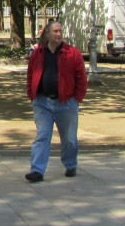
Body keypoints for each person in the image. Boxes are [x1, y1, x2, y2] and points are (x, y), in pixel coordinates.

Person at [24, 20, 88, 183]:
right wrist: (32, 94)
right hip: (42, 102)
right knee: (42, 136)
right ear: (47, 33)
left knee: (69, 139)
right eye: (55, 31)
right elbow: (31, 73)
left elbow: (81, 77)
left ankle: (70, 164)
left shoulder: (72, 53)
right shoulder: (38, 54)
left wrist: (77, 98)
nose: (58, 34)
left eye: (60, 31)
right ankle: (37, 170)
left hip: (66, 103)